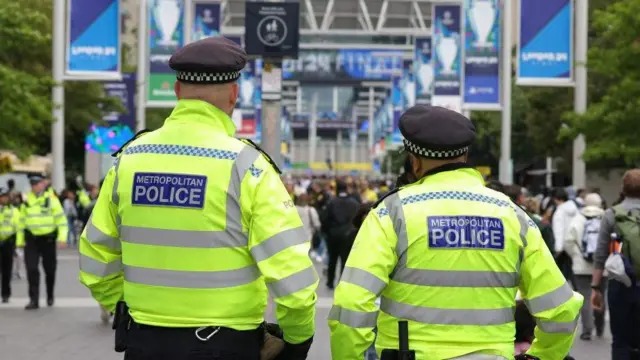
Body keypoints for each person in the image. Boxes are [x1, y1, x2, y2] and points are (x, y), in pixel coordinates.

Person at [78, 36, 317, 360]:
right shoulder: (248, 167)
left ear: (177, 91)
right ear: (234, 95)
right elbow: (293, 277)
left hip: (144, 343)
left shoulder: (129, 161)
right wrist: (297, 339)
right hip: (225, 344)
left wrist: (132, 308)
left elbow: (95, 258)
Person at [328, 105, 583, 360]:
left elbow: (352, 303)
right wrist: (539, 356)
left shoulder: (392, 213)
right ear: (464, 155)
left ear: (415, 161)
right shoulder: (511, 215)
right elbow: (561, 308)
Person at [592, 169, 640, 360]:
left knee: (620, 340)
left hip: (620, 286)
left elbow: (601, 255)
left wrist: (595, 288)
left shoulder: (612, 215)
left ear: (623, 188)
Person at [18, 175, 67, 310]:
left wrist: (62, 238)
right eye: (33, 184)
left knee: (49, 270)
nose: (35, 186)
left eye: (37, 183)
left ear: (43, 184)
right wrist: (19, 240)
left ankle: (50, 294)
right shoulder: (26, 199)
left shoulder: (51, 199)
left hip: (48, 239)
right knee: (31, 269)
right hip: (31, 240)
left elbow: (61, 220)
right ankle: (34, 299)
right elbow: (21, 221)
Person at [563, 192, 605, 341]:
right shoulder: (606, 218)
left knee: (585, 297)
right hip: (602, 266)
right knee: (600, 294)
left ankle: (587, 330)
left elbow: (568, 241)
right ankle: (600, 327)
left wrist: (576, 254)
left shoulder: (578, 219)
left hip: (581, 266)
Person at [323, 180, 360, 290]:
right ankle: (343, 282)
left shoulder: (331, 202)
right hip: (349, 236)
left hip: (333, 236)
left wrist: (328, 232)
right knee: (346, 261)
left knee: (332, 260)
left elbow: (325, 219)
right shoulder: (355, 204)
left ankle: (330, 281)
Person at [0, 188, 22, 303]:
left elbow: (18, 228)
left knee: (6, 270)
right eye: (2, 196)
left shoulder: (14, 211)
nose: (4, 199)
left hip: (8, 243)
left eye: (5, 196)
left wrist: (18, 243)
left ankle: (5, 294)